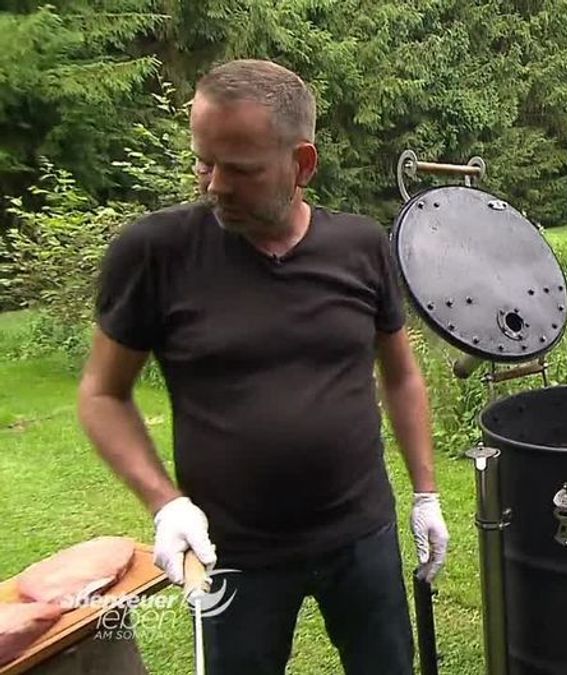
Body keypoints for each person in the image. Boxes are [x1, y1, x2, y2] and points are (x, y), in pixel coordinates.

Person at [76, 59, 449, 675]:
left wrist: (426, 493)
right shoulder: (154, 253)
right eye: (204, 161)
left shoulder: (361, 246)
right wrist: (166, 505)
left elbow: (401, 374)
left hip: (361, 533)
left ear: (302, 164)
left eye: (240, 169)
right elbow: (101, 395)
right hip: (231, 549)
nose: (213, 185)